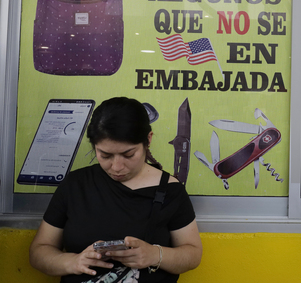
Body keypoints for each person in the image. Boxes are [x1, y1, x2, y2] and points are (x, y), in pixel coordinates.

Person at [30, 97, 202, 283]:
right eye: (105, 155)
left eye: (128, 154)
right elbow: (39, 251)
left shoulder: (170, 190)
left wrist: (155, 255)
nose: (117, 167)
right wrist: (73, 262)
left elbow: (192, 254)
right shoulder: (75, 185)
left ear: (148, 140)